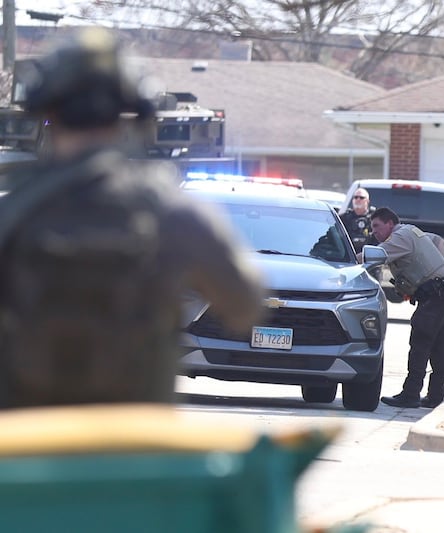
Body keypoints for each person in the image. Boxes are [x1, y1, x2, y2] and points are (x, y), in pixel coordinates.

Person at [0, 27, 263, 408]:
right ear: (133, 113)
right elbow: (245, 306)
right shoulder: (171, 212)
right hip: (136, 453)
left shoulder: (12, 212)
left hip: (23, 450)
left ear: (47, 112)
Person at [367, 207, 444, 409]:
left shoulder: (398, 238)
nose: (375, 232)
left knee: (421, 343)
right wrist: (435, 271)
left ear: (390, 223)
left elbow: (374, 256)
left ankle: (411, 395)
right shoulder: (411, 230)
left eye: (377, 226)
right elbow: (438, 241)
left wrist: (348, 260)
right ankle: (435, 395)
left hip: (435, 295)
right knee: (440, 345)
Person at [339, 187, 376, 252]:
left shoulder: (375, 218)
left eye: (361, 198)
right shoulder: (343, 218)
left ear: (367, 201)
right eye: (356, 197)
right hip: (348, 255)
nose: (358, 199)